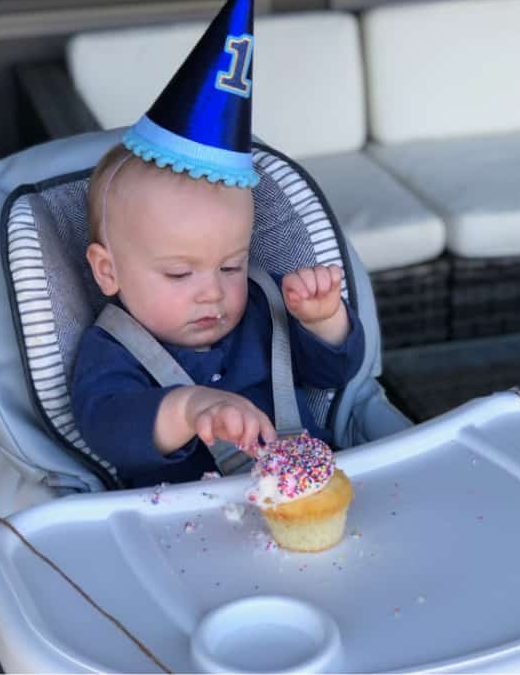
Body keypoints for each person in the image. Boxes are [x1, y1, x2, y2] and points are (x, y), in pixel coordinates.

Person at [70, 144, 364, 487]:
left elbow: (335, 374)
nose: (213, 292)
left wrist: (322, 320)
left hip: (313, 491)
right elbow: (108, 430)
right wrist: (188, 410)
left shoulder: (265, 305)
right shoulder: (114, 348)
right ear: (108, 271)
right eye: (179, 273)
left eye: (231, 266)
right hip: (185, 519)